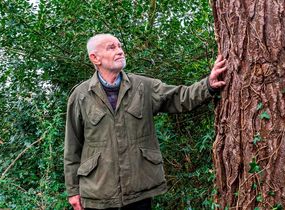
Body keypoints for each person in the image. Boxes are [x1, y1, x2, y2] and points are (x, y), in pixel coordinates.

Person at [64, 34, 227, 210]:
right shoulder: (80, 95)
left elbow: (181, 97)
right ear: (95, 58)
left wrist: (208, 85)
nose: (120, 51)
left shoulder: (143, 86)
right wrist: (73, 190)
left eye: (120, 46)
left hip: (139, 191)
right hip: (98, 194)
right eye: (111, 48)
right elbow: (72, 147)